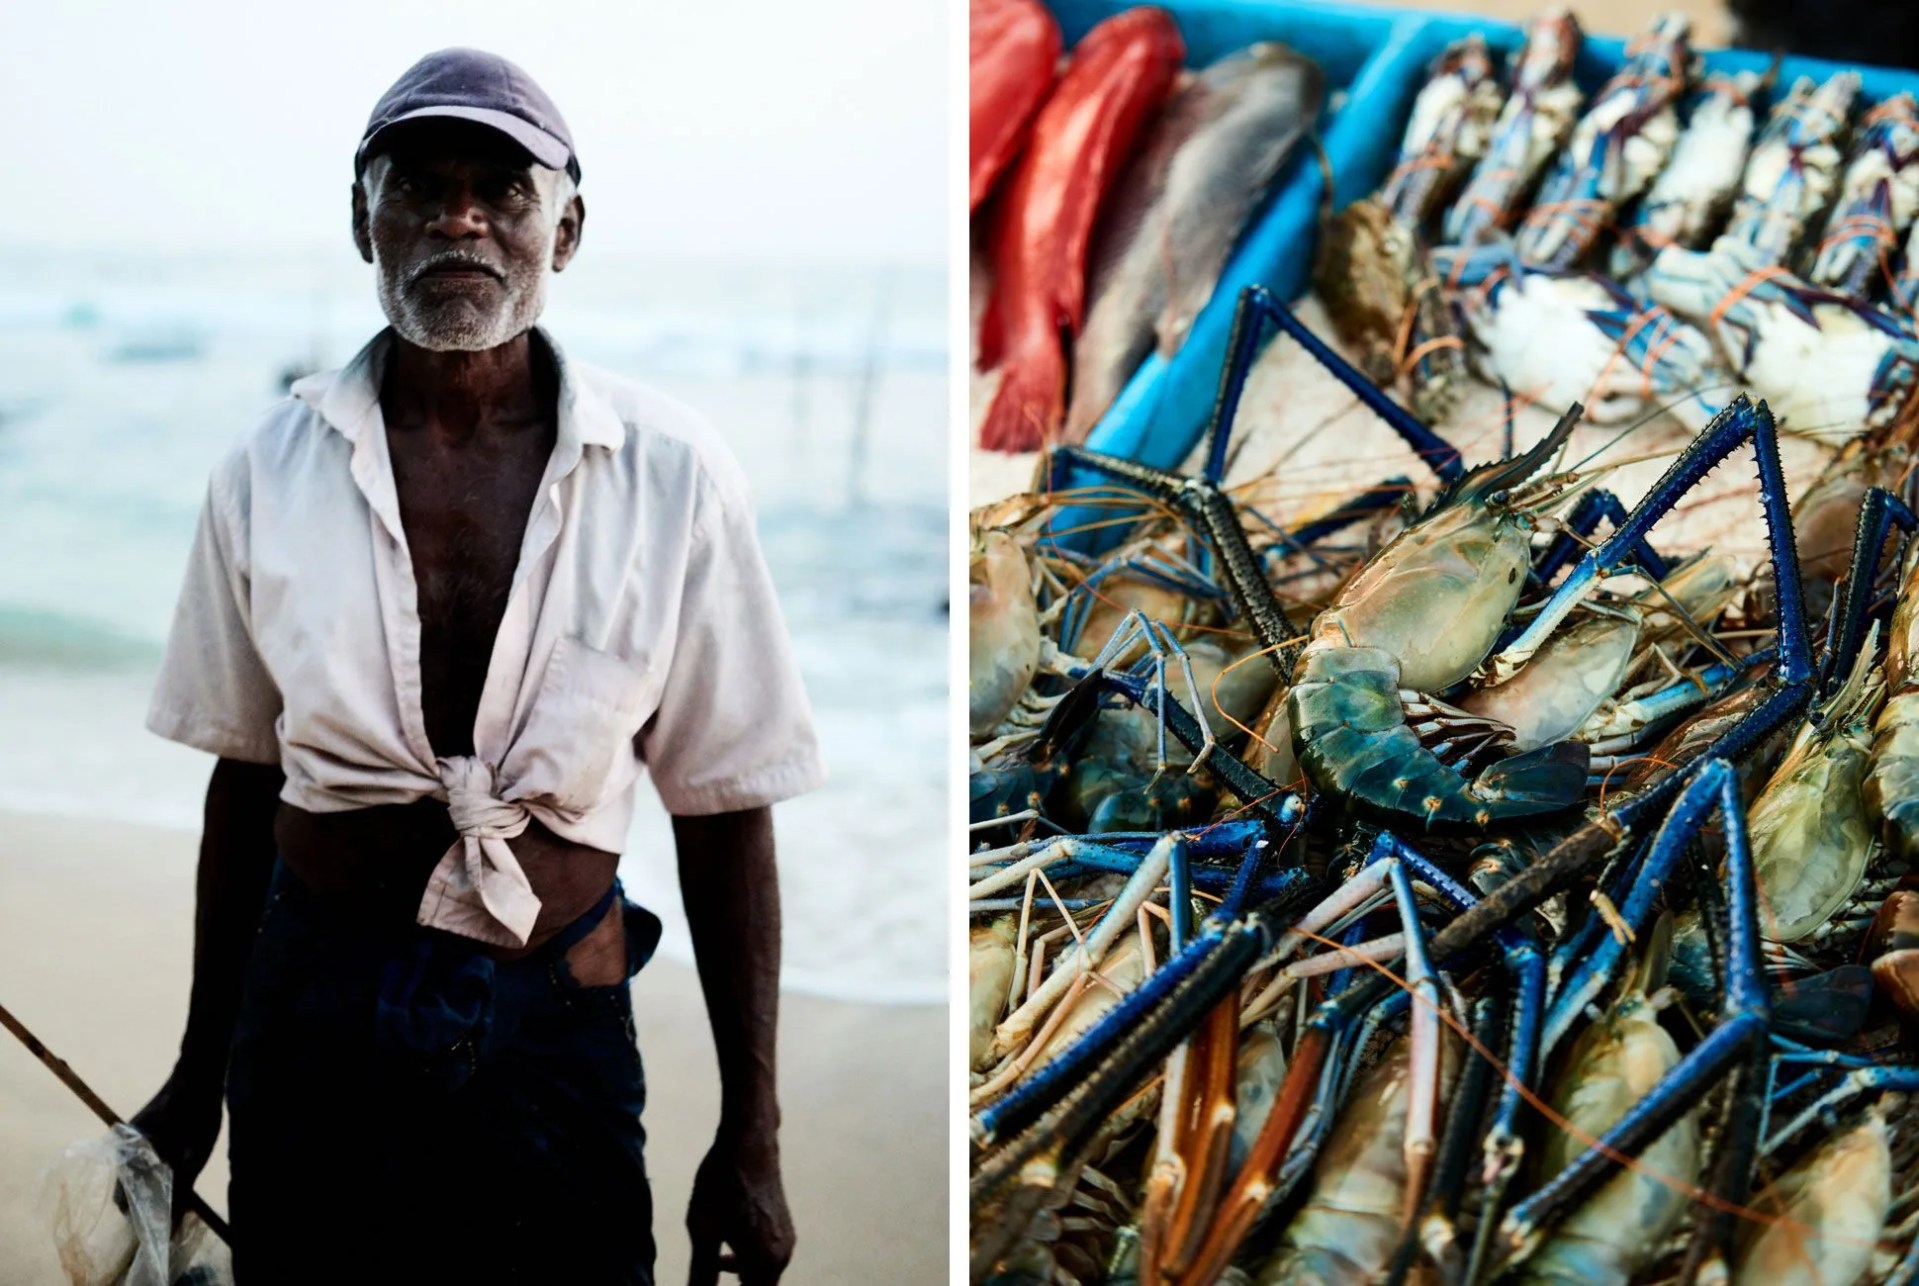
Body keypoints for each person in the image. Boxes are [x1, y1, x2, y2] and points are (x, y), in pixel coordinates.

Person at [128, 48, 824, 1285]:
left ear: (567, 230)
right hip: (311, 1014)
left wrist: (752, 1131)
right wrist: (196, 1074)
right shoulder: (263, 472)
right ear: (363, 222)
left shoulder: (672, 473)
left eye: (501, 189)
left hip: (558, 1022)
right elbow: (244, 781)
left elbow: (723, 807)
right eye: (418, 186)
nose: (459, 218)